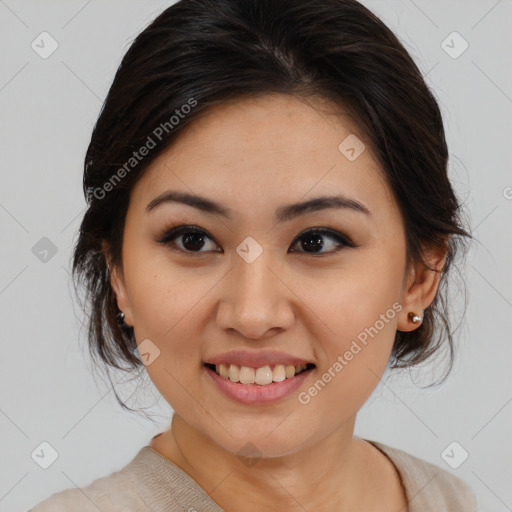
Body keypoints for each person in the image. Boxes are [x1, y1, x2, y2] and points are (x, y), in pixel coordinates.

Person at [29, 0, 477, 510]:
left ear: (419, 274)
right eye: (192, 239)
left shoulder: (451, 499)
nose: (253, 314)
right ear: (119, 274)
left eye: (317, 241)